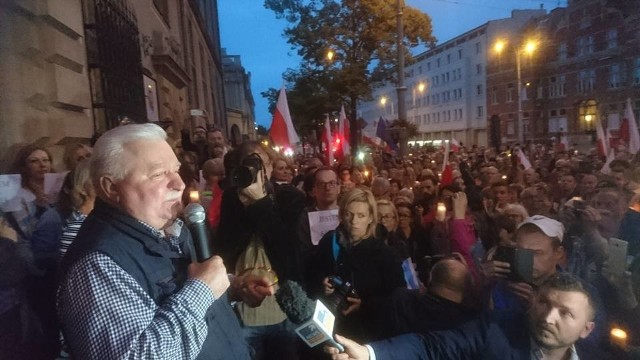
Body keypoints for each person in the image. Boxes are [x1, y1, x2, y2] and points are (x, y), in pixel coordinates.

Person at [57, 124, 274, 359]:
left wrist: (230, 287)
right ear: (111, 188)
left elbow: (171, 294)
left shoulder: (168, 229)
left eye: (176, 170)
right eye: (159, 174)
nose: (179, 184)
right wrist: (203, 290)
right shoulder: (97, 266)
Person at [326, 273, 602, 360]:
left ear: (586, 329)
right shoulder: (496, 328)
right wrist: (370, 353)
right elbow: (430, 346)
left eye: (565, 313)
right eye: (543, 303)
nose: (548, 317)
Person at [215, 141, 305, 360]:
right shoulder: (231, 198)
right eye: (250, 163)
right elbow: (224, 247)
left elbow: (287, 249)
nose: (257, 170)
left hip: (280, 307)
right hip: (244, 312)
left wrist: (260, 203)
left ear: (271, 167)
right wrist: (243, 203)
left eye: (261, 163)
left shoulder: (289, 197)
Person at [308, 188, 406, 342]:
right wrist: (322, 285)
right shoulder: (329, 241)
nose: (354, 221)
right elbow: (311, 275)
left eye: (361, 215)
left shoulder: (384, 253)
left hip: (367, 332)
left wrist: (365, 305)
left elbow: (398, 295)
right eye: (349, 214)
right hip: (332, 327)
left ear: (370, 218)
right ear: (341, 214)